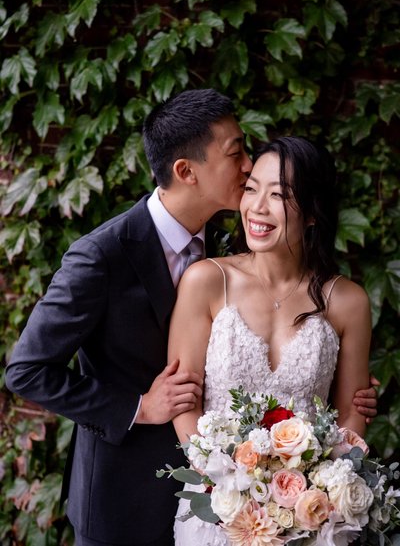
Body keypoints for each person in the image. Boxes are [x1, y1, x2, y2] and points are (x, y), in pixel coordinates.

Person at [5, 91, 376, 546]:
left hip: (252, 505)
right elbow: (26, 370)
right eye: (236, 152)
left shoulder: (230, 240)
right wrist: (140, 407)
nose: (246, 167)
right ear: (186, 171)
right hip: (128, 499)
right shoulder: (100, 256)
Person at [168, 136, 372, 546]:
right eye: (251, 189)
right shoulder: (207, 282)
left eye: (278, 195)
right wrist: (225, 484)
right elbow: (183, 401)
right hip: (217, 511)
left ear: (312, 212)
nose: (256, 207)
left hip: (312, 517)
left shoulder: (348, 302)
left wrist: (312, 493)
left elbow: (354, 413)